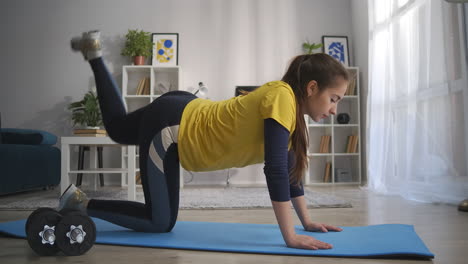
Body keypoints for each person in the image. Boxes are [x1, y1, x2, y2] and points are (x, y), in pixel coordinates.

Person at [61, 30, 349, 250]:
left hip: (183, 109)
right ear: (312, 88)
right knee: (158, 222)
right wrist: (290, 237)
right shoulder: (283, 98)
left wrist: (307, 222)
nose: (335, 109)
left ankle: (94, 53)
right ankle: (79, 202)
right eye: (333, 99)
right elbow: (274, 170)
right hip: (174, 128)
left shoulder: (291, 113)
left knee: (119, 130)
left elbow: (288, 173)